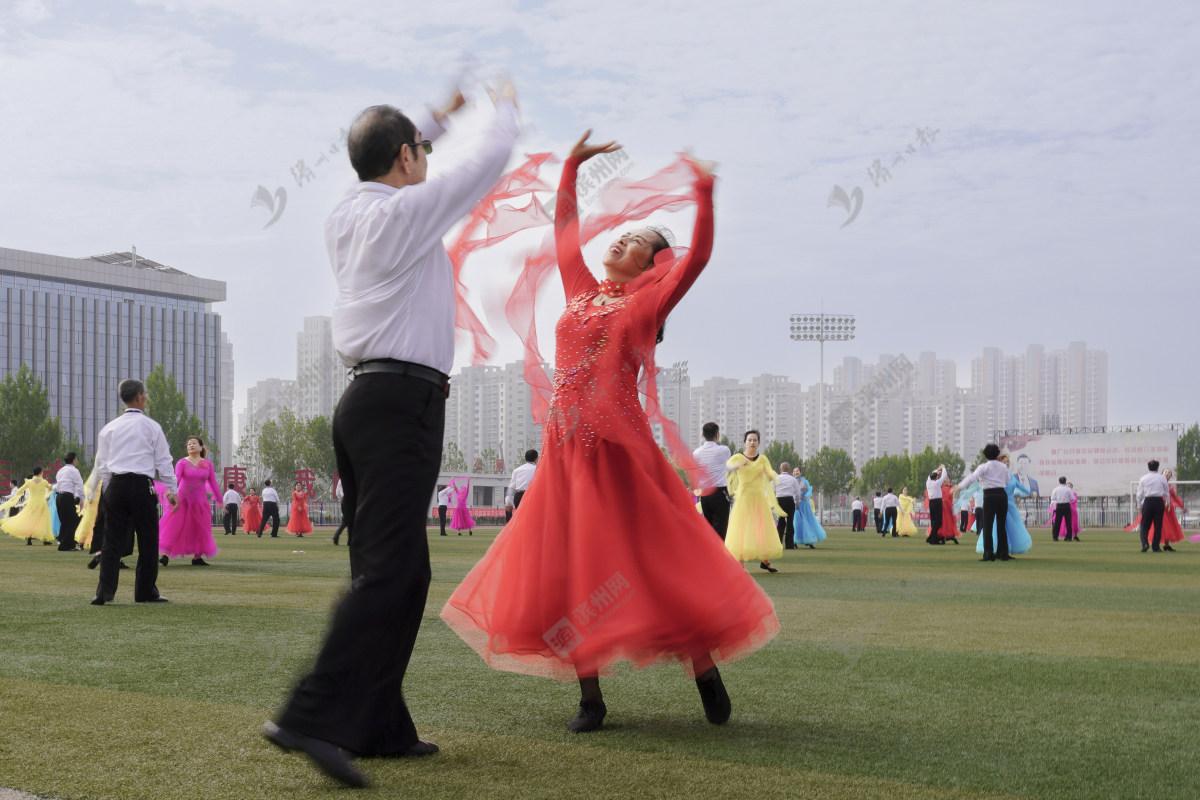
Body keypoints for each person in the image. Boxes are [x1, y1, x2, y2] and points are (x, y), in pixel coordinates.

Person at [441, 134, 776, 741]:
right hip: (565, 456)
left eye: (640, 241)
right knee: (569, 571)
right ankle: (589, 698)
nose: (622, 240)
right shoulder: (580, 290)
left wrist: (703, 190)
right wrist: (570, 168)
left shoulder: (645, 307)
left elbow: (696, 258)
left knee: (656, 562)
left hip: (621, 456)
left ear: (652, 265)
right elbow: (565, 229)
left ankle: (703, 665)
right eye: (625, 234)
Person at [263, 84, 519, 789]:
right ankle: (311, 714)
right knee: (391, 572)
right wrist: (502, 108)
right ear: (405, 159)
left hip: (369, 400)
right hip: (401, 402)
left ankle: (377, 724)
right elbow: (488, 162)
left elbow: (385, 151)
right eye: (420, 151)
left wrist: (433, 120)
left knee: (398, 571)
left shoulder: (348, 212)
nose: (426, 161)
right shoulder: (407, 212)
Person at [86, 378, 178, 604]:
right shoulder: (151, 427)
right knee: (148, 539)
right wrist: (171, 489)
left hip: (115, 485)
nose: (145, 397)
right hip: (140, 485)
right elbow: (164, 461)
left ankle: (104, 592)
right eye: (144, 394)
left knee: (111, 540)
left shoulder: (109, 428)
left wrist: (107, 490)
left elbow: (102, 464)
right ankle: (145, 591)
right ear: (139, 396)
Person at [725, 431, 784, 572]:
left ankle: (765, 561)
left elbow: (769, 472)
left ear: (758, 443)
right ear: (745, 442)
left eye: (755, 440)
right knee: (741, 529)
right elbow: (727, 467)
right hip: (743, 498)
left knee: (762, 528)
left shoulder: (762, 459)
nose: (752, 442)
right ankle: (740, 563)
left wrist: (775, 477)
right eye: (749, 440)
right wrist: (738, 465)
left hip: (759, 499)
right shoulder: (738, 457)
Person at [159, 436, 221, 567]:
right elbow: (176, 479)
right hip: (182, 500)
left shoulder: (207, 464)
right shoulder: (182, 462)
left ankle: (197, 557)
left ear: (200, 447)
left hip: (200, 502)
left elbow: (213, 483)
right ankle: (165, 555)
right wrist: (171, 493)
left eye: (194, 443)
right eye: (188, 444)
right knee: (174, 527)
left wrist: (220, 500)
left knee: (201, 529)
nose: (191, 446)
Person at [955, 444, 1010, 562]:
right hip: (1001, 495)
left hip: (989, 496)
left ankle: (988, 554)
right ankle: (1003, 553)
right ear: (997, 454)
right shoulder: (1003, 467)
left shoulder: (983, 467)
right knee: (1001, 525)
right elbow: (1007, 480)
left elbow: (972, 478)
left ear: (985, 455)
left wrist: (959, 487)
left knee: (987, 526)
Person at [977, 454, 1033, 557]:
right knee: (997, 527)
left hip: (1010, 506)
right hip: (999, 503)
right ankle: (995, 550)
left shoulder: (1010, 476)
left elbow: (1020, 487)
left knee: (1009, 529)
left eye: (1007, 462)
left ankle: (1004, 551)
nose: (1006, 463)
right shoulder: (996, 476)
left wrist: (1029, 492)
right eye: (1004, 461)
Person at [1126, 467, 1185, 551]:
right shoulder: (1159, 483)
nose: (1167, 474)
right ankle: (1154, 545)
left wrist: (1182, 506)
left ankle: (1166, 545)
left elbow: (1175, 498)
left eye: (1169, 473)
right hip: (1159, 507)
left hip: (1168, 509)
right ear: (1162, 473)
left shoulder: (1170, 487)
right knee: (1161, 527)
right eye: (1166, 472)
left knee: (1169, 527)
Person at [692, 422, 732, 539]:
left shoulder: (696, 453)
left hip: (704, 494)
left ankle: (710, 555)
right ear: (717, 434)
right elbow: (728, 466)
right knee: (721, 527)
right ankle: (719, 555)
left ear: (702, 435)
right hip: (720, 492)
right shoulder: (724, 450)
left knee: (708, 527)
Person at [1, 468, 56, 544]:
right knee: (43, 521)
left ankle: (29, 540)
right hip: (41, 504)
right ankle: (45, 540)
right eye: (42, 472)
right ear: (40, 473)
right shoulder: (44, 482)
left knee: (30, 520)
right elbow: (51, 488)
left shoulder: (29, 482)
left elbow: (20, 490)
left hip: (32, 504)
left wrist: (15, 498)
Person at [1135, 459, 1170, 553]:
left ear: (1148, 467)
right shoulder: (1162, 478)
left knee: (1144, 525)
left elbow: (1139, 494)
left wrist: (1139, 506)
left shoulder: (1143, 478)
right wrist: (1168, 503)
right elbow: (1167, 492)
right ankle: (1155, 546)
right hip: (1159, 502)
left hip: (1148, 501)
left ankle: (1145, 543)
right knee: (1158, 526)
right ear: (1157, 467)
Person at [55, 453, 84, 551]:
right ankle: (65, 545)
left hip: (59, 497)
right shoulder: (74, 471)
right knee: (73, 521)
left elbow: (58, 485)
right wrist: (80, 499)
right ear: (74, 460)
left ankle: (67, 542)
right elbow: (79, 486)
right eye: (77, 459)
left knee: (65, 521)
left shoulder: (60, 471)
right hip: (67, 497)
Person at [792, 470, 826, 549]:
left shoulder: (805, 481)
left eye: (797, 471)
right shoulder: (792, 481)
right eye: (794, 471)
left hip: (804, 505)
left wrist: (805, 496)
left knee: (808, 522)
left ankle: (809, 541)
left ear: (800, 472)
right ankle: (795, 541)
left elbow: (809, 491)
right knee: (797, 523)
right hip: (796, 504)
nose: (796, 473)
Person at [773, 462, 801, 550]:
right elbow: (798, 493)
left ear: (780, 469)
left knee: (781, 523)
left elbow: (772, 491)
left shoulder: (776, 478)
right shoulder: (793, 479)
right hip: (789, 500)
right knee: (790, 523)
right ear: (789, 470)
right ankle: (789, 545)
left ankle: (778, 544)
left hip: (779, 500)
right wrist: (797, 502)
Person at [506, 449, 538, 514]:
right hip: (532, 496)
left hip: (519, 497)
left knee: (521, 517)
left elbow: (511, 488)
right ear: (536, 458)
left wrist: (508, 502)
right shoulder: (538, 469)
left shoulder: (517, 470)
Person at [925, 467, 947, 545]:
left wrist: (937, 469)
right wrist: (943, 468)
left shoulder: (928, 482)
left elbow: (930, 475)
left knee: (934, 521)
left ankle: (931, 537)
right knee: (938, 522)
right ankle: (932, 539)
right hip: (937, 502)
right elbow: (944, 476)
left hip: (931, 502)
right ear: (936, 478)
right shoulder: (937, 483)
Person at [1050, 477, 1072, 541]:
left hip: (1059, 506)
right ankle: (1069, 537)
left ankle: (1055, 537)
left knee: (1057, 522)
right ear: (1065, 481)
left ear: (1059, 481)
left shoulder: (1055, 489)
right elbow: (1072, 498)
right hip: (1067, 506)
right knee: (1068, 522)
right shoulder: (1068, 489)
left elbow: (1053, 498)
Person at [939, 478, 960, 544]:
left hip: (948, 507)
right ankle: (944, 536)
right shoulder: (942, 488)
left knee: (949, 522)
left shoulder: (950, 488)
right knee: (945, 522)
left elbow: (953, 497)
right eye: (946, 480)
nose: (947, 481)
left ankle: (949, 536)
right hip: (944, 508)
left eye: (948, 480)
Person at [332, 478, 350, 545]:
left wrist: (341, 499)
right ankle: (349, 540)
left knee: (346, 520)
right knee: (349, 521)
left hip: (344, 499)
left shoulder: (341, 479)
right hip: (349, 500)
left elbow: (337, 492)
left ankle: (337, 536)